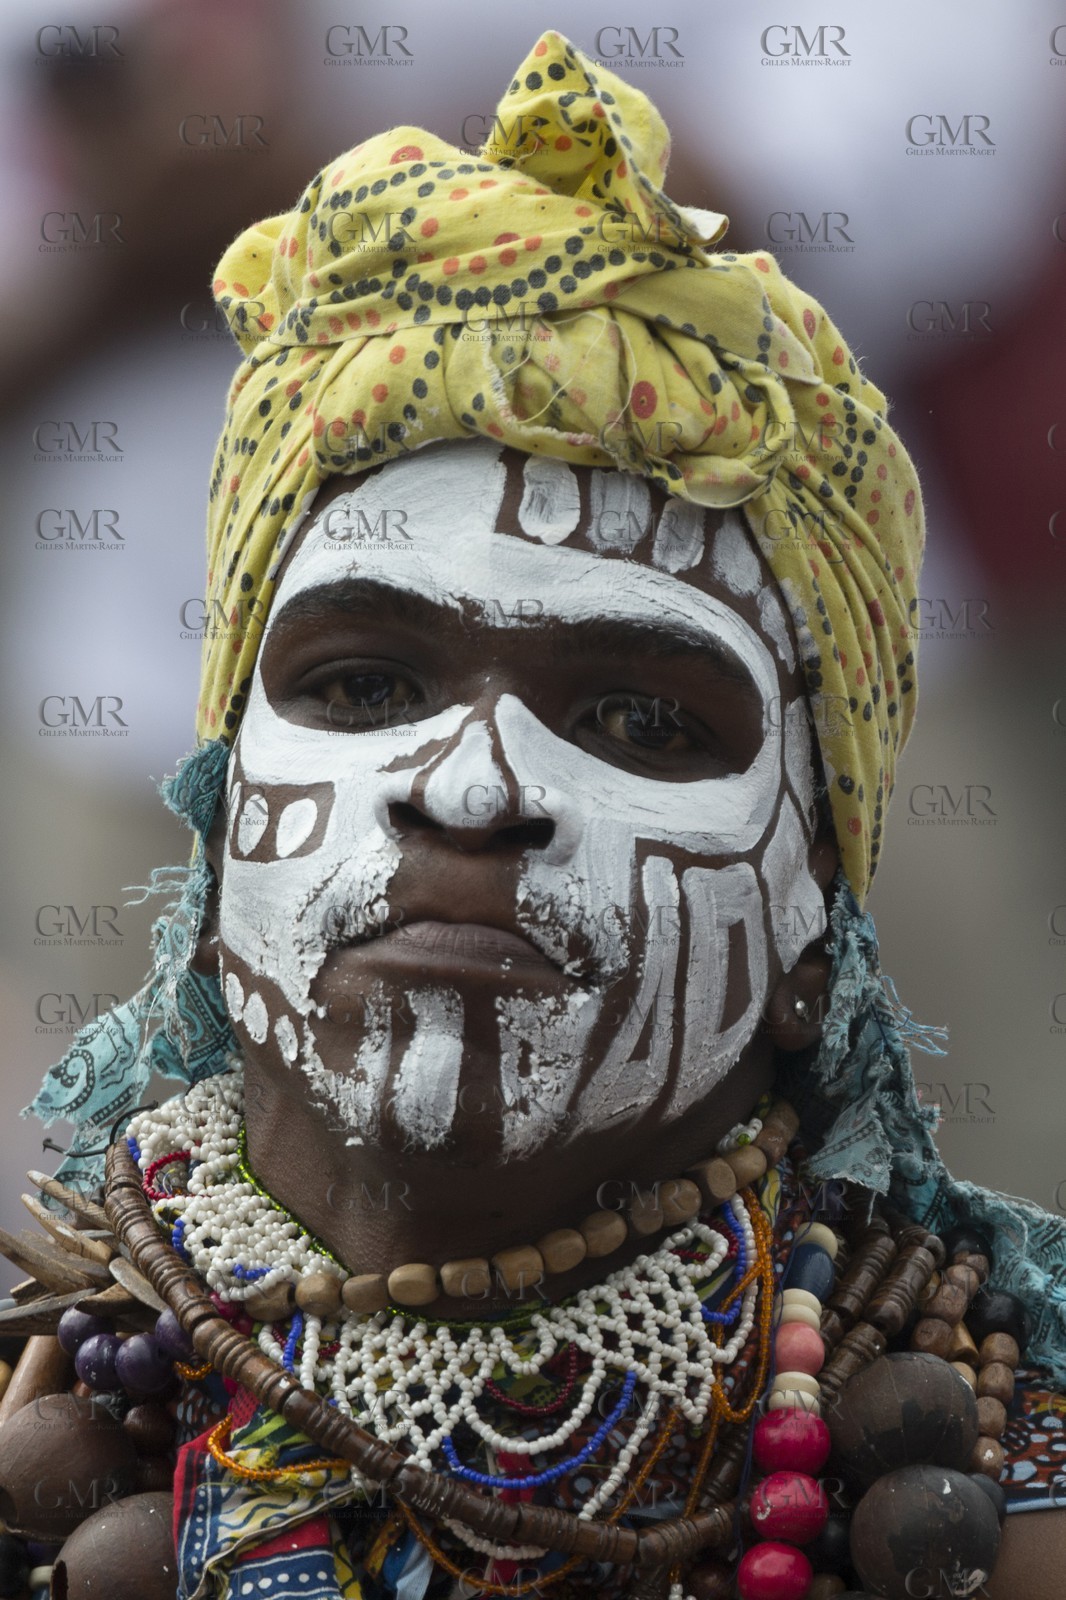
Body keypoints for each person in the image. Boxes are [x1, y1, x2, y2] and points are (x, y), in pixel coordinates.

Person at [6, 29, 1066, 1600]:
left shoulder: (993, 1498)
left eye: (640, 717)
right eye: (361, 686)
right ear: (222, 842)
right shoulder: (49, 1433)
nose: (477, 785)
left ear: (807, 927)